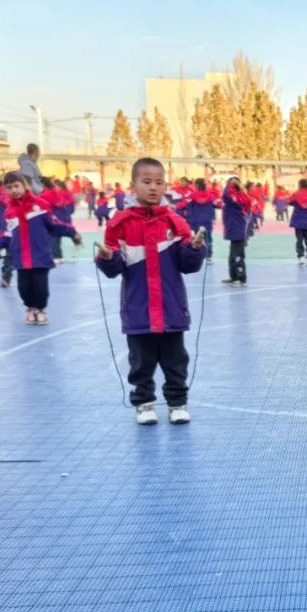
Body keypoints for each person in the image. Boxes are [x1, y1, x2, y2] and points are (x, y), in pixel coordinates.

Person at [95, 158, 206, 425]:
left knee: (176, 361)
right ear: (133, 185)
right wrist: (108, 258)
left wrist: (194, 249)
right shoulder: (119, 224)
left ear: (165, 186)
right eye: (146, 182)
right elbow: (114, 269)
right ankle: (144, 404)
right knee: (140, 363)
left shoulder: (175, 222)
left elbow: (188, 266)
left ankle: (177, 403)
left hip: (171, 309)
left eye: (158, 182)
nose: (153, 187)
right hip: (138, 310)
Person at [0, 172, 82, 325]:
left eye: (16, 186)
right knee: (24, 288)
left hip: (40, 255)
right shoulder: (9, 212)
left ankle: (40, 309)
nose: (14, 190)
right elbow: (7, 233)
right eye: (9, 187)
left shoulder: (40, 205)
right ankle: (30, 308)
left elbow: (54, 224)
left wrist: (72, 232)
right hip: (20, 257)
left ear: (25, 186)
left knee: (40, 287)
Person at [179, 178, 220, 263]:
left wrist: (174, 207)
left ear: (197, 185)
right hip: (207, 222)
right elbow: (218, 204)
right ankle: (209, 257)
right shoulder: (211, 195)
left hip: (195, 222)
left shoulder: (192, 195)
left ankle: (196, 257)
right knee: (208, 240)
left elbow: (183, 204)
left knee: (195, 240)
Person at [221, 177, 251, 286]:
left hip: (237, 229)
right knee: (232, 256)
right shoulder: (235, 197)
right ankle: (233, 277)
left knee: (238, 256)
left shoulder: (238, 197)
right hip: (233, 229)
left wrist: (231, 184)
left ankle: (241, 278)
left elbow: (225, 195)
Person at [289, 179, 307, 267]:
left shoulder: (296, 194)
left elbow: (289, 201)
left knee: (299, 239)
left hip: (298, 220)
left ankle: (301, 256)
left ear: (299, 185)